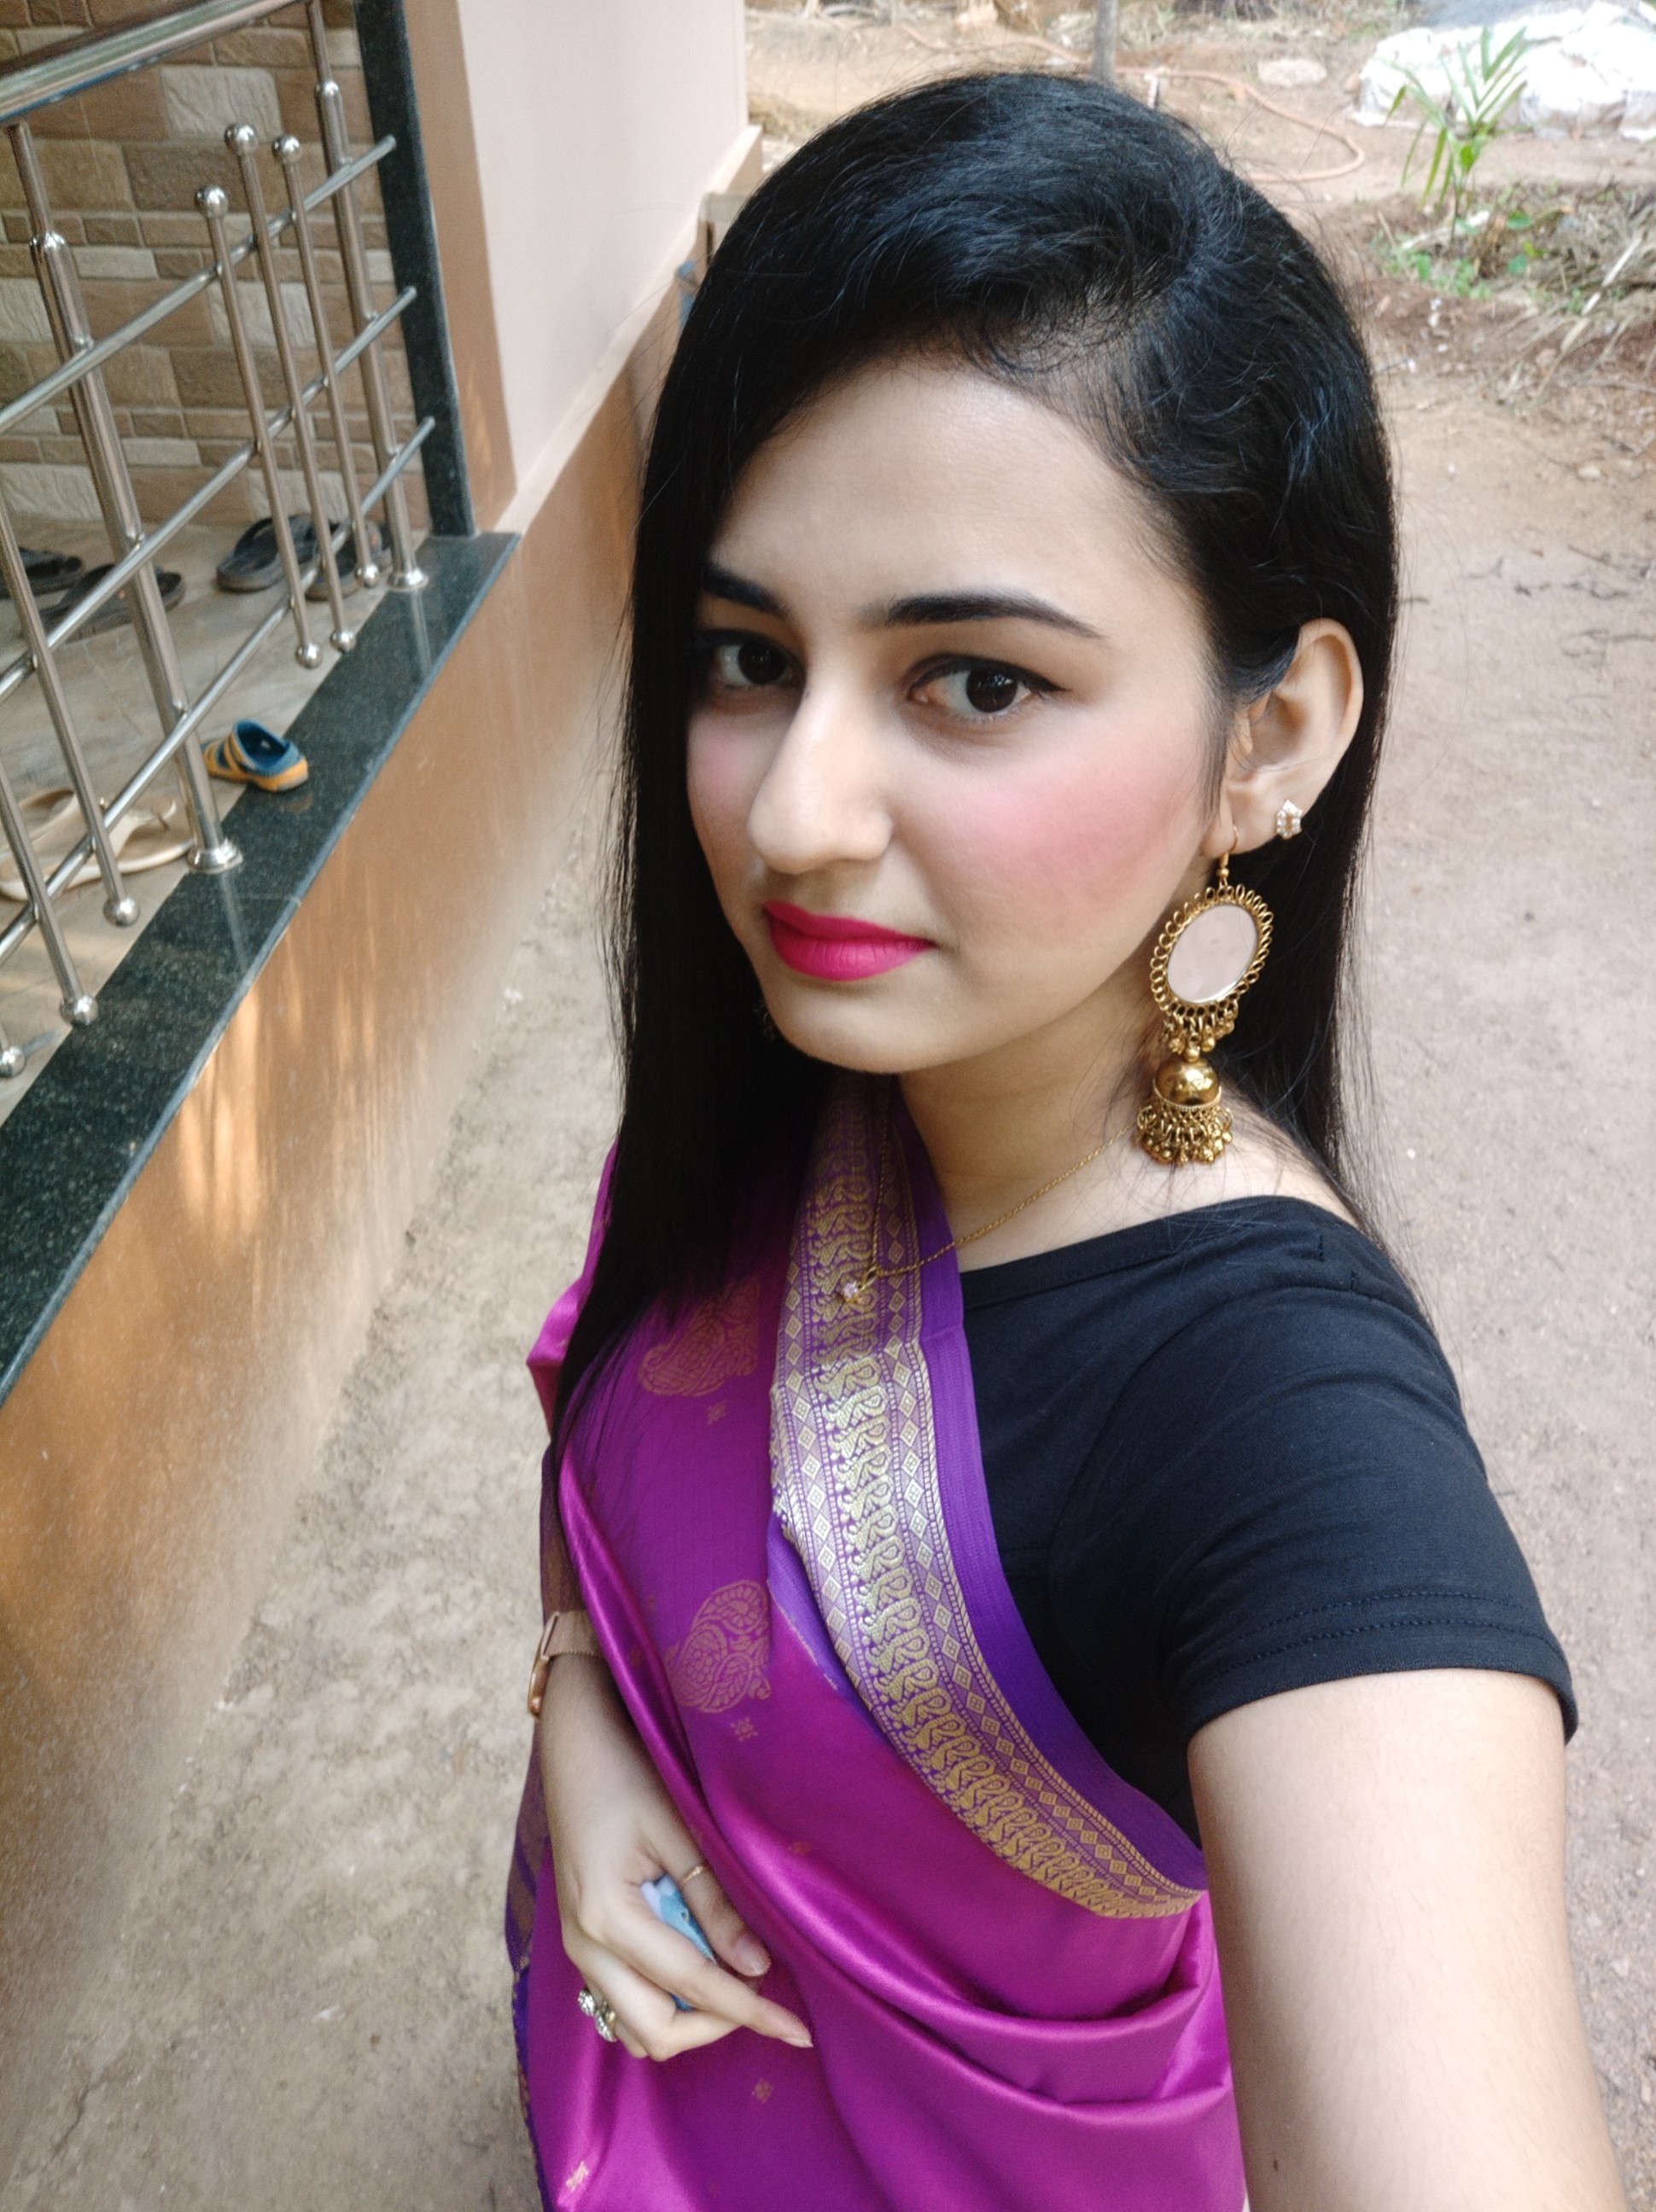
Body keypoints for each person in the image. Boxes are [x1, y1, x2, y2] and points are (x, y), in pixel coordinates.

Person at [504, 73, 1625, 2212]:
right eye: (748, 656)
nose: (793, 813)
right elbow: (601, 1389)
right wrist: (581, 1708)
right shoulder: (824, 1072)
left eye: (975, 682)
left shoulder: (1278, 1429)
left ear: (1269, 735)